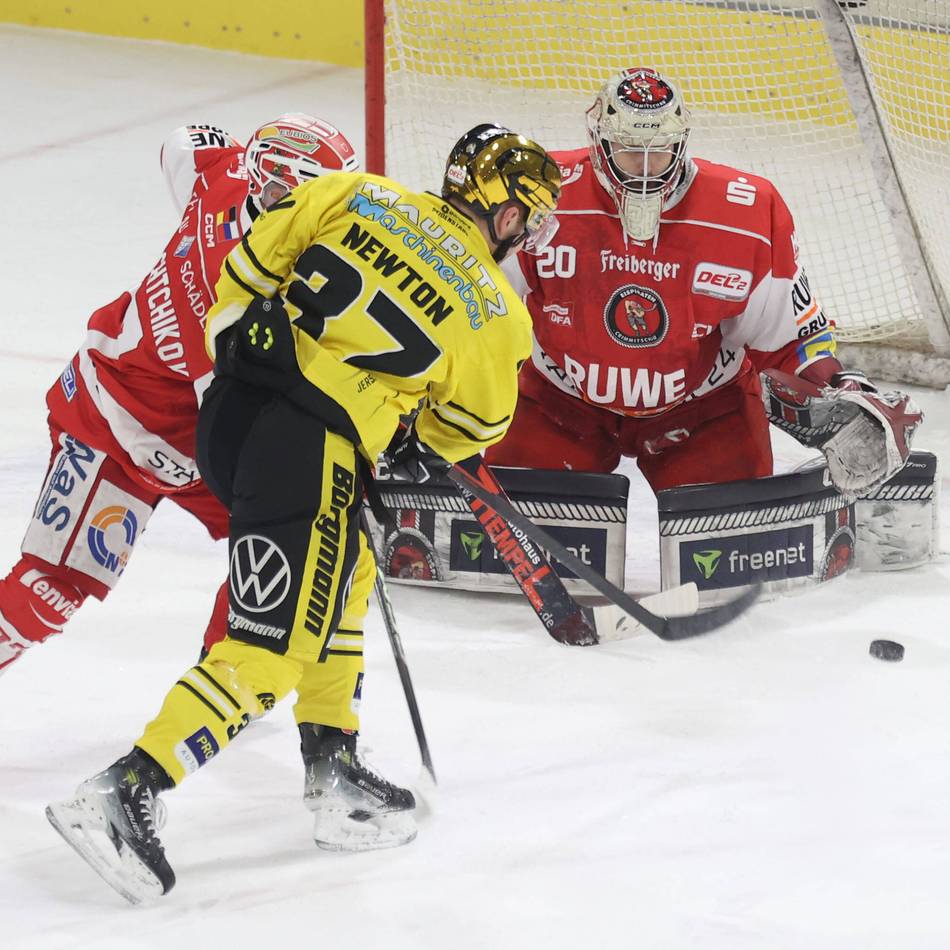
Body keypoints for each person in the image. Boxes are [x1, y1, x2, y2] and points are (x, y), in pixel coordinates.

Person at [45, 123, 562, 902]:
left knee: (349, 575)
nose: (525, 230)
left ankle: (335, 767)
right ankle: (127, 789)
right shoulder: (498, 312)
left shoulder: (359, 191)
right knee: (273, 644)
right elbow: (473, 429)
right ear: (500, 208)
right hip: (311, 453)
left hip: (226, 419)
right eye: (526, 212)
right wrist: (402, 437)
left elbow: (248, 269)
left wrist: (244, 355)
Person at [0, 114, 359, 676]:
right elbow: (233, 419)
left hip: (182, 426)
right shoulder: (235, 288)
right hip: (117, 421)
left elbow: (184, 141)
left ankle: (225, 681)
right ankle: (231, 674)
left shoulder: (225, 177)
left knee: (301, 540)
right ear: (281, 187)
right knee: (53, 589)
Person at [487, 67, 921, 496]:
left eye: (658, 149)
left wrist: (840, 387)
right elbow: (479, 302)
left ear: (681, 143)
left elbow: (787, 337)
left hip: (704, 411)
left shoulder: (747, 214)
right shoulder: (540, 193)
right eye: (627, 148)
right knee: (500, 541)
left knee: (735, 546)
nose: (643, 167)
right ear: (600, 143)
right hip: (557, 401)